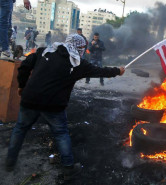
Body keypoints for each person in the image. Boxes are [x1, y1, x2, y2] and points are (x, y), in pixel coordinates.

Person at [5, 34, 125, 180]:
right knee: (61, 133)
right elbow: (100, 71)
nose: (83, 50)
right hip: (54, 105)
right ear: (80, 47)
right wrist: (118, 71)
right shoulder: (77, 63)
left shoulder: (44, 51)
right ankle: (68, 168)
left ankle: (9, 162)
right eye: (82, 48)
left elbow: (24, 66)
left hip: (30, 99)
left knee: (20, 128)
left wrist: (22, 86)